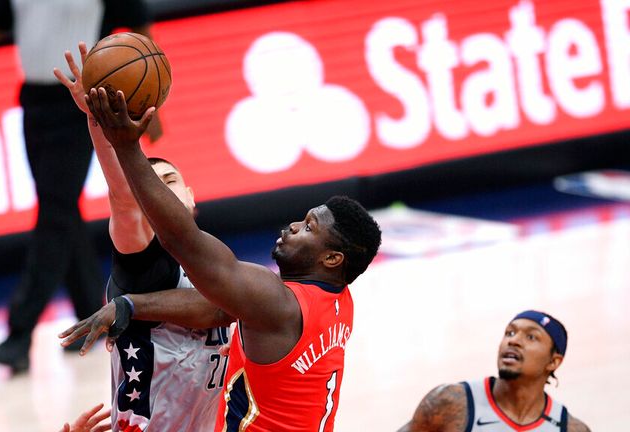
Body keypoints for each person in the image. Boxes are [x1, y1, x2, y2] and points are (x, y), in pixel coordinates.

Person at [76, 87, 382, 431]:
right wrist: (131, 305)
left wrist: (127, 146)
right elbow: (219, 308)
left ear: (331, 258)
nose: (294, 226)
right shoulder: (337, 301)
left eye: (308, 227)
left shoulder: (275, 301)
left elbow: (181, 239)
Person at [0, 0, 161, 373]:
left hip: (80, 105)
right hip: (33, 102)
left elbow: (141, 35)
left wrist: (152, 103)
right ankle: (88, 317)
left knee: (55, 214)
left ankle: (19, 333)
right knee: (60, 210)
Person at [55, 44, 233, 432]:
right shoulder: (144, 259)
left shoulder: (221, 261)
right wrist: (101, 124)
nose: (162, 193)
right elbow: (124, 199)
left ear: (191, 195)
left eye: (170, 182)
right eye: (153, 188)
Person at [398, 310, 591, 432]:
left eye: (531, 337)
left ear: (553, 362)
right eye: (510, 333)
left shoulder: (569, 428)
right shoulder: (450, 402)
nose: (513, 341)